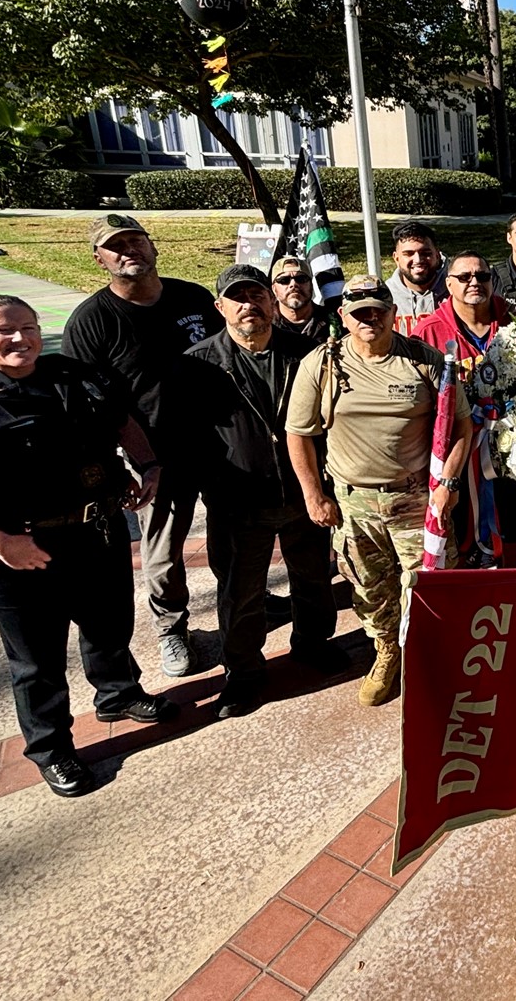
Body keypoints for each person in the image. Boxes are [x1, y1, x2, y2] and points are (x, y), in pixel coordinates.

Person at [0, 295, 177, 798]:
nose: (20, 339)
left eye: (28, 327)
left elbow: (121, 420)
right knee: (37, 660)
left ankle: (118, 695)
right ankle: (52, 750)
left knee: (109, 625)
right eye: (4, 330)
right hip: (17, 553)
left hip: (97, 532)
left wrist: (147, 464)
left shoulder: (76, 376)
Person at [285, 275, 471, 707]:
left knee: (432, 583)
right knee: (369, 587)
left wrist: (448, 484)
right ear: (344, 318)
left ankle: (434, 658)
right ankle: (388, 651)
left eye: (377, 310)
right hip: (354, 502)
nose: (369, 319)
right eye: (359, 312)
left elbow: (461, 424)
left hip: (416, 499)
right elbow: (298, 434)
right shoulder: (322, 364)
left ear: (393, 313)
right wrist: (315, 495)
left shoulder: (424, 361)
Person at [175, 265, 347, 720]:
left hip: (302, 492)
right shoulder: (197, 364)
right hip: (237, 501)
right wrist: (211, 489)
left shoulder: (306, 352)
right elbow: (187, 437)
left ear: (272, 301)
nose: (248, 304)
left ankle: (313, 645)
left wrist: (325, 486)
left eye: (256, 295)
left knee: (312, 580)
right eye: (237, 297)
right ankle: (244, 673)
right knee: (241, 593)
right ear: (220, 308)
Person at [61, 214, 222, 678]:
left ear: (153, 246)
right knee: (163, 551)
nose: (129, 250)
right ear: (100, 259)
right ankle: (172, 627)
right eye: (115, 246)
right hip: (153, 457)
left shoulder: (192, 297)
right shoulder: (92, 322)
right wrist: (126, 464)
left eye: (136, 240)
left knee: (236, 532)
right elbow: (86, 404)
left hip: (218, 443)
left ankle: (247, 598)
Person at [416, 251, 516, 568]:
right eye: (464, 277)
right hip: (458, 451)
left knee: (511, 518)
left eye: (482, 276)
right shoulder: (428, 333)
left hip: (509, 448)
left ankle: (510, 579)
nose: (474, 282)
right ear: (448, 284)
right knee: (460, 524)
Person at [384, 219, 447, 336]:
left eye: (426, 253)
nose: (418, 260)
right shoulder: (385, 296)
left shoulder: (456, 290)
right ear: (396, 258)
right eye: (408, 254)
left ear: (437, 255)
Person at [268, 254, 331, 339]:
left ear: (311, 285)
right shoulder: (263, 324)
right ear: (274, 289)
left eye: (301, 279)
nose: (293, 284)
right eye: (284, 280)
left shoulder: (333, 320)